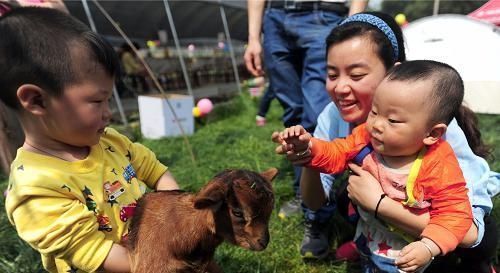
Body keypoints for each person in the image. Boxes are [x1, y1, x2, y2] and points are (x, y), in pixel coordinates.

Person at [273, 11, 498, 273]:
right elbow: (315, 198)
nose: (340, 88)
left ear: (394, 72)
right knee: (346, 193)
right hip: (381, 224)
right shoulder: (336, 116)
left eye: (356, 75)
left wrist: (380, 204)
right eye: (332, 74)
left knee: (479, 244)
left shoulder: (437, 135)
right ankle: (365, 244)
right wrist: (307, 155)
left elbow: (470, 232)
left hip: (449, 232)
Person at [0, 7, 179, 273]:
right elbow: (95, 253)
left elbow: (154, 170)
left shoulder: (109, 141)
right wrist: (169, 261)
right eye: (97, 101)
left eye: (108, 99)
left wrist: (176, 217)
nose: (109, 113)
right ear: (37, 100)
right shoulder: (34, 190)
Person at [244, 0, 369, 259]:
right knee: (293, 117)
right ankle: (308, 197)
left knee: (314, 114)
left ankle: (316, 216)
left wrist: (352, 24)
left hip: (324, 14)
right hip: (275, 16)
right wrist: (254, 36)